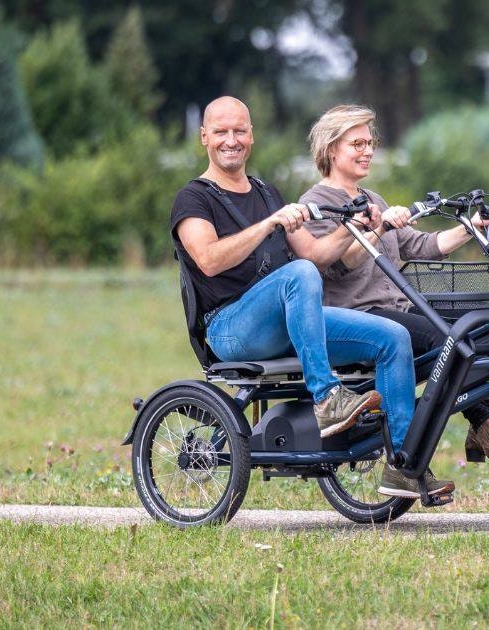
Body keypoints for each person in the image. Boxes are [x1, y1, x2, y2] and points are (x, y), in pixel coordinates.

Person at [169, 97, 449, 502]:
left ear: (252, 136)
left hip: (289, 323)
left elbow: (317, 256)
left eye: (240, 131)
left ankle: (403, 465)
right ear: (204, 137)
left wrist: (354, 227)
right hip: (230, 328)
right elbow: (209, 260)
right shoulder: (194, 198)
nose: (231, 140)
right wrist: (269, 224)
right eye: (221, 132)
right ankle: (326, 397)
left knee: (393, 337)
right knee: (297, 275)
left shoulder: (268, 193)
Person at [299, 105, 489, 482]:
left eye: (370, 143)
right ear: (330, 150)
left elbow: (421, 245)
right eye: (357, 143)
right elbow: (341, 263)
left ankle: (483, 424)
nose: (367, 150)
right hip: (361, 315)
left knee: (481, 326)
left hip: (398, 306)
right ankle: (460, 435)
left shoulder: (373, 197)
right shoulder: (319, 203)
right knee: (452, 339)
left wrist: (469, 228)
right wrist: (376, 227)